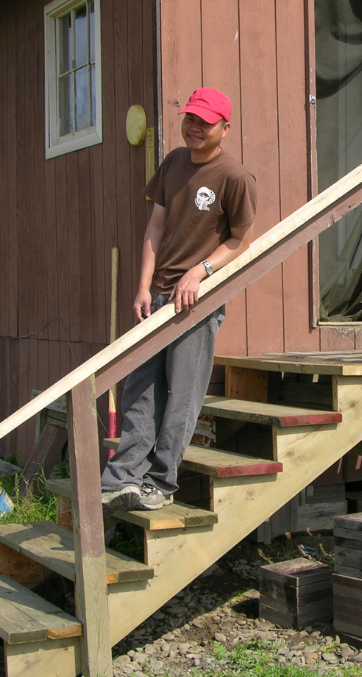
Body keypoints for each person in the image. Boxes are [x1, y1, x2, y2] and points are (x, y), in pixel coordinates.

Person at [101, 87, 256, 511]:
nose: (194, 128)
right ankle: (122, 478)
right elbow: (155, 226)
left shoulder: (234, 177)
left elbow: (241, 241)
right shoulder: (172, 164)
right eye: (190, 119)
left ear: (225, 127)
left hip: (197, 300)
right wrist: (142, 286)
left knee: (182, 393)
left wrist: (200, 271)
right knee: (140, 386)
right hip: (158, 294)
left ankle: (161, 482)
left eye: (205, 123)